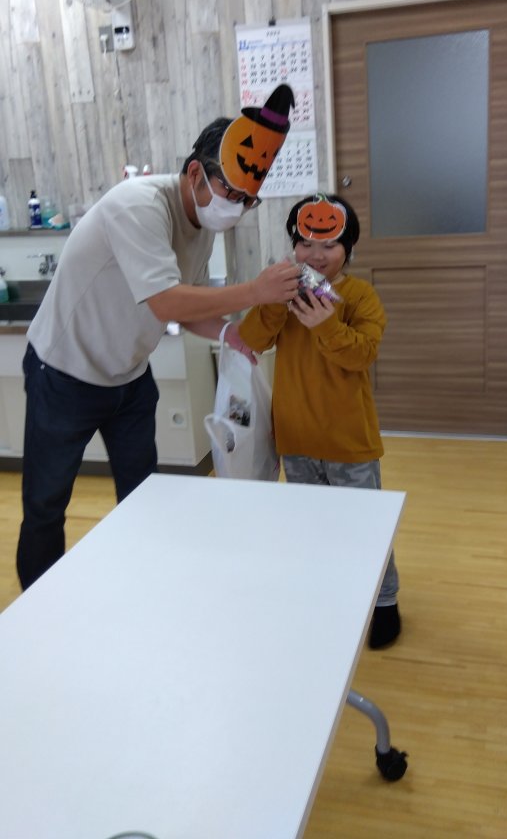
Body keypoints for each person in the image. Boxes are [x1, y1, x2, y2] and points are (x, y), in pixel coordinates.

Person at [17, 85, 300, 591]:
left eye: (247, 200)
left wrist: (229, 333)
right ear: (195, 174)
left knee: (143, 493)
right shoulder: (138, 205)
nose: (235, 208)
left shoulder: (203, 224)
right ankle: (38, 605)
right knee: (46, 503)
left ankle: (144, 587)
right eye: (231, 194)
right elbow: (167, 303)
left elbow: (189, 307)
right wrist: (256, 291)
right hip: (63, 373)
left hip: (128, 378)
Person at [237, 193, 401, 649]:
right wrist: (273, 297)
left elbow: (363, 355)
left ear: (348, 248)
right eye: (306, 243)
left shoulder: (360, 296)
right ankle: (328, 590)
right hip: (296, 436)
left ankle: (385, 600)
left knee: (365, 525)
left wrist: (326, 324)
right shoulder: (285, 292)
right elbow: (251, 340)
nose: (316, 255)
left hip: (349, 439)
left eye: (329, 245)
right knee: (311, 524)